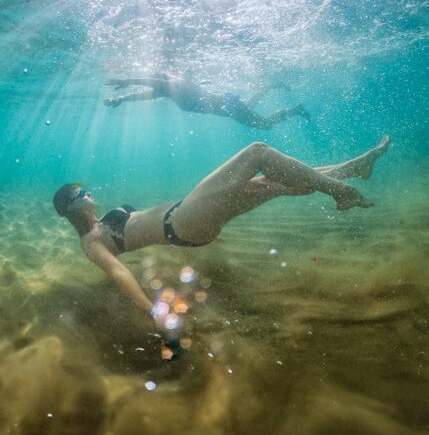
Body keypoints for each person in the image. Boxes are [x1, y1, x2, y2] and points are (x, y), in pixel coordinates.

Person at [53, 137, 390, 350]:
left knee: (274, 182)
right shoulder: (90, 242)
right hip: (183, 221)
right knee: (258, 152)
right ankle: (341, 191)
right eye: (80, 194)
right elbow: (120, 274)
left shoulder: (97, 227)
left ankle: (351, 169)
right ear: (70, 208)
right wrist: (156, 316)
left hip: (189, 221)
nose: (88, 193)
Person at [104, 73, 311, 130]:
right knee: (250, 105)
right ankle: (271, 85)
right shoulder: (168, 91)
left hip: (228, 107)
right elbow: (145, 94)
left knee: (264, 125)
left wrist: (126, 81)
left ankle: (295, 110)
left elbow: (153, 82)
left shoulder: (176, 84)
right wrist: (121, 98)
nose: (155, 89)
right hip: (228, 106)